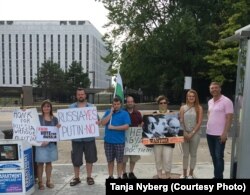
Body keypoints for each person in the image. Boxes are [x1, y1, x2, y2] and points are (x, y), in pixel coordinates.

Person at [69, 88, 98, 186]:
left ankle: (89, 176)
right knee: (76, 159)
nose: (80, 96)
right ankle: (77, 178)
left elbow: (97, 120)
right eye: (79, 94)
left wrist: (97, 122)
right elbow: (67, 122)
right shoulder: (71, 107)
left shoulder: (91, 107)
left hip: (89, 138)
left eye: (82, 94)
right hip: (76, 139)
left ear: (85, 95)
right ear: (76, 96)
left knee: (90, 158)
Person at [144, 95, 175, 179]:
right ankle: (159, 176)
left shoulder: (172, 114)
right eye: (161, 103)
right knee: (158, 159)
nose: (163, 104)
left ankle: (168, 176)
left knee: (167, 159)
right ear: (158, 104)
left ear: (167, 103)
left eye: (165, 103)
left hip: (169, 141)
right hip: (156, 141)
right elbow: (148, 128)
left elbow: (175, 128)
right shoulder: (153, 115)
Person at [206, 82, 233, 179]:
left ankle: (218, 178)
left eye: (216, 88)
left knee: (219, 157)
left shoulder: (227, 101)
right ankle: (217, 176)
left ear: (220, 89)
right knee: (214, 157)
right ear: (210, 90)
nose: (214, 89)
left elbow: (229, 118)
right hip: (209, 133)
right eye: (212, 88)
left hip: (220, 135)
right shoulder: (210, 101)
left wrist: (225, 133)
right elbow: (209, 114)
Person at [101, 97, 131, 179]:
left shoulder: (124, 113)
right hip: (108, 142)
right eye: (114, 104)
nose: (116, 106)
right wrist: (110, 113)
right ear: (112, 105)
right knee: (110, 160)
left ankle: (119, 176)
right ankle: (110, 176)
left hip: (119, 142)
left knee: (120, 161)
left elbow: (126, 126)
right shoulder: (108, 112)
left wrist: (113, 127)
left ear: (121, 104)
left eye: (118, 104)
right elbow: (102, 123)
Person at [35, 100, 60, 190]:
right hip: (41, 144)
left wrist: (59, 127)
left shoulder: (55, 119)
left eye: (48, 106)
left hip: (51, 144)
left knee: (49, 163)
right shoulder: (38, 118)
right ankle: (40, 182)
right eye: (45, 106)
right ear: (42, 108)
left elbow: (57, 132)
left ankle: (48, 181)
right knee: (40, 163)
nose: (46, 108)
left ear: (51, 108)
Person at [179, 89, 203, 179]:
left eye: (193, 96)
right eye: (189, 96)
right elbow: (180, 121)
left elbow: (199, 122)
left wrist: (192, 133)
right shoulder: (183, 108)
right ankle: (184, 173)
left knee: (193, 154)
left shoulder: (199, 108)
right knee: (185, 154)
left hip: (195, 133)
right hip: (184, 134)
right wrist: (185, 133)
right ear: (187, 97)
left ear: (195, 97)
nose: (191, 98)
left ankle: (191, 174)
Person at [122, 96, 143, 179]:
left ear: (134, 102)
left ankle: (131, 172)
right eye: (128, 101)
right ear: (126, 103)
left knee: (133, 158)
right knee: (124, 159)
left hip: (134, 139)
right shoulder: (122, 112)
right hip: (124, 139)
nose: (130, 103)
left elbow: (141, 123)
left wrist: (142, 125)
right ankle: (124, 173)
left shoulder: (138, 113)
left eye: (131, 101)